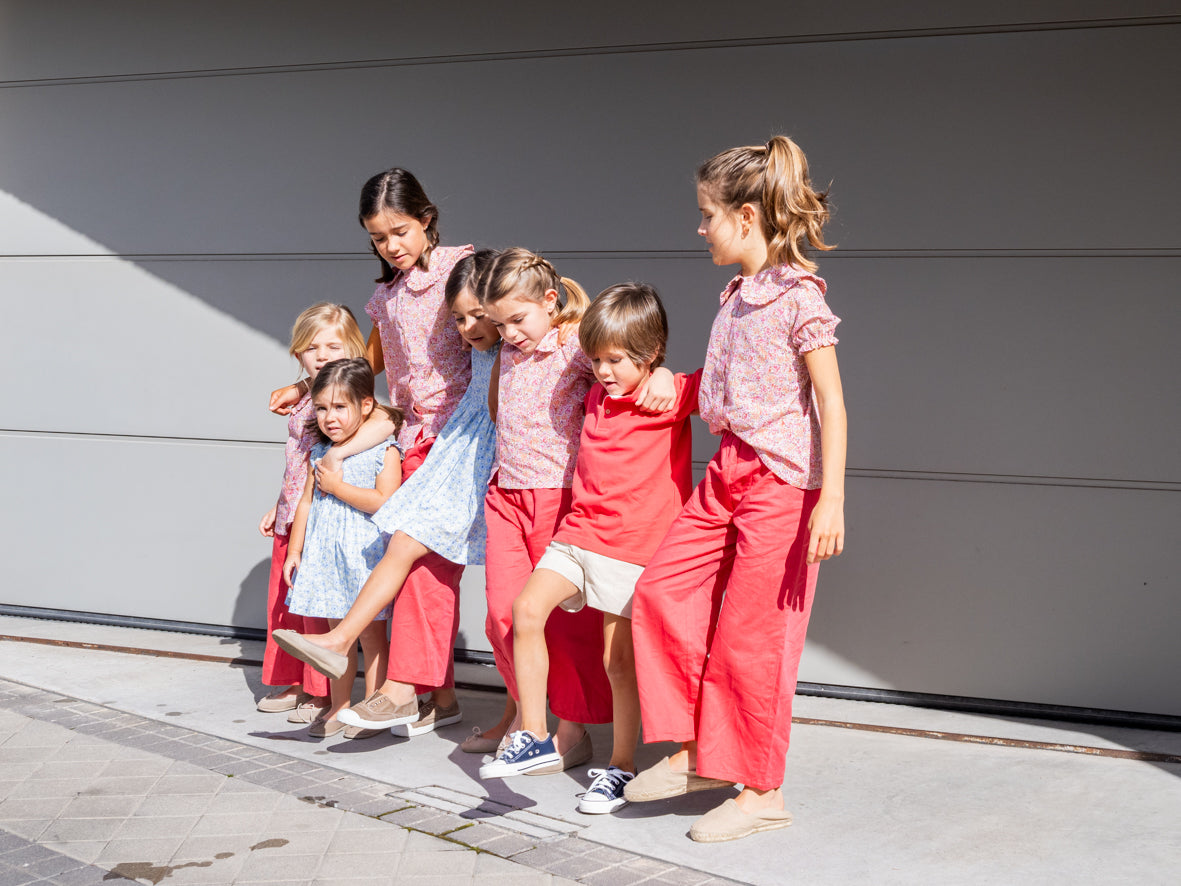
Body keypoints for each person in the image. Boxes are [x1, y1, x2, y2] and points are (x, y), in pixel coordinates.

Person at [625, 136, 848, 843]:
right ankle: (699, 749)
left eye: (706, 215)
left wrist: (832, 499)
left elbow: (829, 405)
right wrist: (678, 383)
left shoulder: (797, 297)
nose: (699, 228)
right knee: (659, 592)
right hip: (726, 472)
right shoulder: (736, 296)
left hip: (781, 483)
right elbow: (738, 389)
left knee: (754, 638)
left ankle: (761, 790)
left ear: (745, 217)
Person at [480, 284, 700, 818]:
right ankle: (533, 731)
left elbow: (714, 386)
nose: (603, 370)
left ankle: (620, 763)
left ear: (649, 356)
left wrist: (671, 378)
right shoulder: (596, 394)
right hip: (578, 535)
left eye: (616, 361)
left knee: (615, 662)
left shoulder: (667, 396)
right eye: (596, 359)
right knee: (526, 610)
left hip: (630, 548)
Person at [271, 168, 475, 735]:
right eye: (379, 238)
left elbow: (504, 322)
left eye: (401, 232)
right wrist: (308, 384)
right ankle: (438, 694)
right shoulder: (386, 293)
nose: (392, 246)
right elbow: (371, 361)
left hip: (459, 433)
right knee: (417, 565)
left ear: (427, 219)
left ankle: (404, 686)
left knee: (423, 560)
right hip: (413, 434)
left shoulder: (461, 269)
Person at [255, 303, 366, 720]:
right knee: (285, 606)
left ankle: (321, 693)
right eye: (311, 347)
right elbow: (297, 462)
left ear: (352, 349)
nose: (321, 355)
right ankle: (297, 681)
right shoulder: (310, 396)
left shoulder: (340, 402)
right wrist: (277, 502)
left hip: (319, 518)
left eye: (332, 346)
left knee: (316, 609)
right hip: (291, 513)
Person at [283, 358, 404, 738]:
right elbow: (305, 502)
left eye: (340, 407)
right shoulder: (319, 452)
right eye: (321, 408)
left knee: (369, 634)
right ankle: (339, 706)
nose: (329, 417)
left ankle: (371, 706)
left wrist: (338, 489)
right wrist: (294, 550)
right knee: (336, 634)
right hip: (326, 557)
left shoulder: (383, 450)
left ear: (365, 405)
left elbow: (386, 501)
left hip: (364, 557)